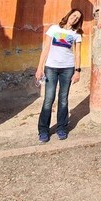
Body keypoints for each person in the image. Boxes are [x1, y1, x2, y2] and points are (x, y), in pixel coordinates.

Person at [35, 8, 83, 142]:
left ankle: (62, 128)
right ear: (69, 15)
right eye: (74, 15)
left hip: (67, 68)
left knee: (63, 99)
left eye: (78, 18)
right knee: (48, 99)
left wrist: (78, 71)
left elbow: (78, 53)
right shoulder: (54, 29)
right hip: (51, 67)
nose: (75, 19)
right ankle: (43, 130)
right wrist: (40, 67)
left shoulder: (76, 34)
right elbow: (46, 48)